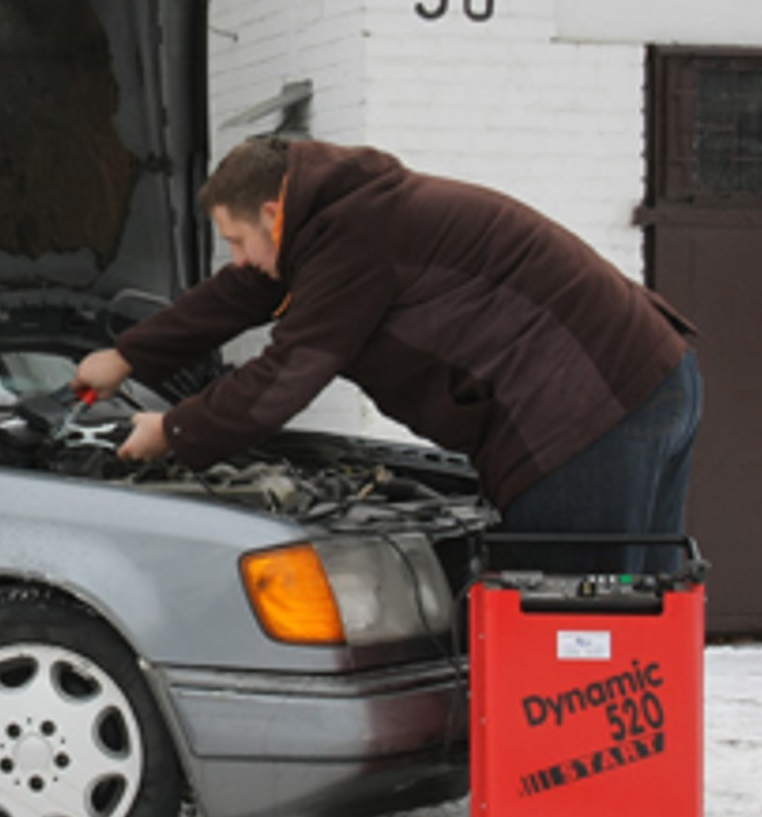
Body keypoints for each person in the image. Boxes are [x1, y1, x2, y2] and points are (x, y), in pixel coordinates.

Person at [71, 136, 701, 575]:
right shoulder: (344, 216)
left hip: (587, 413)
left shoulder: (352, 240)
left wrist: (172, 430)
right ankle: (628, 770)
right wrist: (126, 356)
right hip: (648, 379)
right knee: (637, 611)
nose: (237, 258)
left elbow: (284, 378)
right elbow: (244, 291)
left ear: (273, 212)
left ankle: (573, 770)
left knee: (570, 628)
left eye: (237, 240)